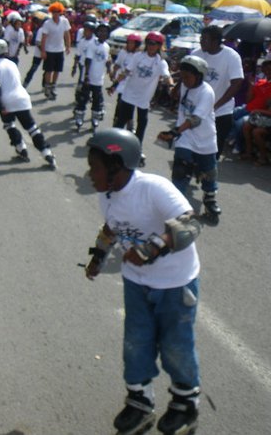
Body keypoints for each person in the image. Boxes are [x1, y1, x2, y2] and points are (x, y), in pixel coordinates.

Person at [84, 128, 203, 435]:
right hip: (136, 282)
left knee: (176, 346)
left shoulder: (152, 187)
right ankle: (140, 402)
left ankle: (185, 403)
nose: (89, 173)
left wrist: (152, 248)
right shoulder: (106, 195)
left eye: (94, 166)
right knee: (136, 343)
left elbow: (190, 224)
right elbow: (112, 228)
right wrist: (98, 255)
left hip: (175, 283)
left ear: (116, 165)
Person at [157, 56, 221, 223]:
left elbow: (195, 120)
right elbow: (175, 96)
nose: (184, 80)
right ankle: (176, 206)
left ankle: (209, 197)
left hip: (205, 138)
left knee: (208, 172)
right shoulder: (186, 86)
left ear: (199, 76)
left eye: (187, 77)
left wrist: (175, 131)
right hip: (185, 138)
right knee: (180, 169)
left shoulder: (207, 92)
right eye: (182, 77)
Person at [0, 38, 57, 168]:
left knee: (9, 125)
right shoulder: (12, 63)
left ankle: (21, 148)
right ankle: (47, 153)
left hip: (7, 100)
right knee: (32, 128)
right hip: (22, 98)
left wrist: (1, 106)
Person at [110, 31, 170, 167]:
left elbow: (166, 75)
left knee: (141, 126)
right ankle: (114, 145)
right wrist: (114, 85)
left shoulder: (160, 62)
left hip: (144, 99)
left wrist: (170, 83)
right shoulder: (138, 56)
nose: (150, 46)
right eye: (148, 43)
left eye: (154, 44)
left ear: (159, 46)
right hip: (129, 95)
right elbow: (126, 72)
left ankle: (136, 149)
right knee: (121, 121)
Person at [191, 25, 244, 158]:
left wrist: (216, 105)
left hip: (221, 111)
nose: (201, 42)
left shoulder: (231, 56)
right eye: (201, 38)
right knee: (193, 146)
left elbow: (236, 83)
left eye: (205, 39)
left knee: (213, 150)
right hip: (197, 110)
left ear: (215, 41)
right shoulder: (196, 54)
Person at [74, 22, 111, 132]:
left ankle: (94, 119)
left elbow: (106, 60)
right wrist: (86, 75)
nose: (103, 34)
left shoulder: (106, 46)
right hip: (89, 78)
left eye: (105, 32)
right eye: (101, 31)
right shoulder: (92, 44)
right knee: (83, 99)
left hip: (99, 79)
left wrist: (109, 68)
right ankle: (79, 116)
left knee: (96, 100)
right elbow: (88, 60)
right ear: (97, 32)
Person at [109, 33, 143, 131]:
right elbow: (118, 64)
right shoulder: (123, 52)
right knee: (120, 103)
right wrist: (113, 72)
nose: (129, 45)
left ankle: (130, 125)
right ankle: (116, 124)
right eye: (128, 42)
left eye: (132, 43)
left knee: (129, 106)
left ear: (137, 44)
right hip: (122, 83)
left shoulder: (139, 56)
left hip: (132, 85)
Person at [39, 1, 71, 100]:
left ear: (60, 12)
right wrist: (43, 51)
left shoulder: (64, 21)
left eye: (57, 11)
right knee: (49, 70)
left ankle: (53, 86)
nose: (55, 13)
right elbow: (43, 38)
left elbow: (67, 34)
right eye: (54, 11)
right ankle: (47, 87)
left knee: (57, 70)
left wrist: (68, 46)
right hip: (49, 50)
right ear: (51, 12)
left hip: (59, 49)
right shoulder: (47, 23)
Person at [22, 12, 47, 89]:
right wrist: (43, 51)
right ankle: (25, 83)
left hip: (47, 53)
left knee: (47, 70)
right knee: (33, 69)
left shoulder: (49, 30)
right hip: (39, 54)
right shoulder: (41, 30)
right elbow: (38, 43)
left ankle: (45, 85)